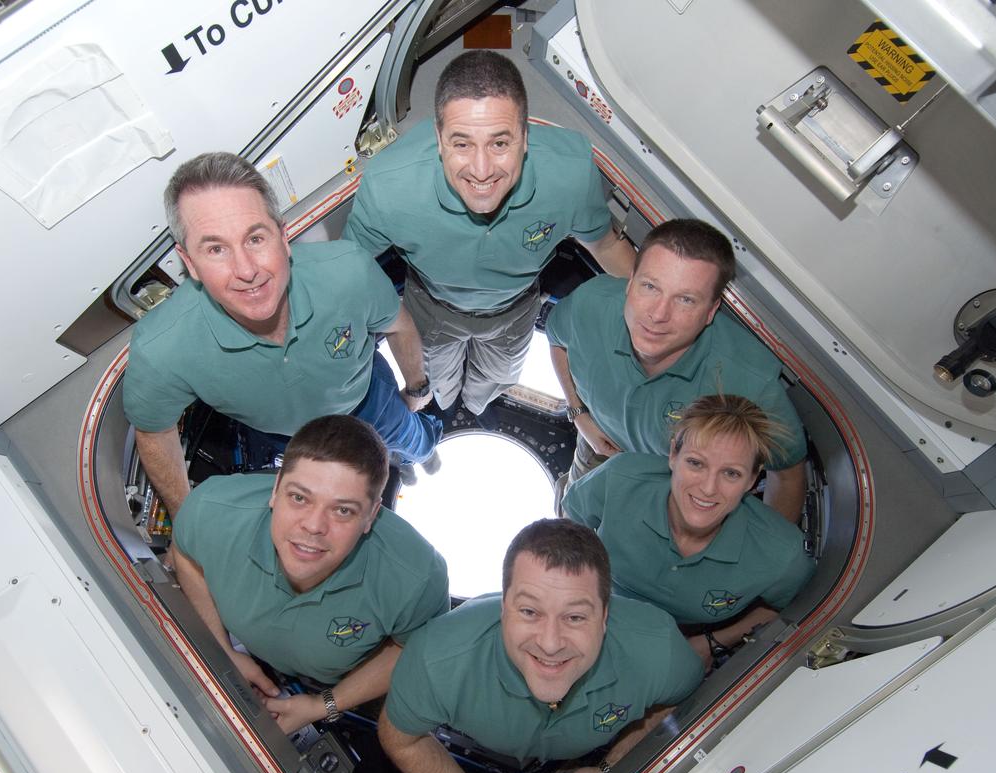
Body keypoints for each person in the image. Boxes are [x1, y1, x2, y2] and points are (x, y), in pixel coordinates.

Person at [124, 152, 440, 519]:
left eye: (255, 238)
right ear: (190, 263)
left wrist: (417, 388)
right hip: (293, 438)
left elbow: (398, 324)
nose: (246, 271)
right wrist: (188, 522)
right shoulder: (162, 348)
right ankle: (400, 461)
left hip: (368, 399)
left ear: (283, 236)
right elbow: (153, 430)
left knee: (413, 438)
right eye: (216, 249)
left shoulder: (347, 272)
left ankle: (424, 454)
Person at [343, 49, 636, 419]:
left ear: (526, 138)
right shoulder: (389, 186)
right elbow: (346, 273)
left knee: (495, 380)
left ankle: (479, 404)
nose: (481, 171)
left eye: (500, 143)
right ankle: (448, 404)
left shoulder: (570, 175)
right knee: (438, 384)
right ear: (438, 138)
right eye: (462, 143)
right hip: (432, 308)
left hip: (513, 311)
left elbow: (607, 244)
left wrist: (661, 309)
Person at [379, 519, 702, 773]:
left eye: (574, 617)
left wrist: (610, 769)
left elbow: (685, 699)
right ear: (504, 608)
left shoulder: (656, 646)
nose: (550, 644)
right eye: (530, 612)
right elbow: (400, 738)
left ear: (605, 617)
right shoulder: (437, 658)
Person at [171, 415, 449, 734]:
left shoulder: (417, 578)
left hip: (341, 683)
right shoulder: (212, 509)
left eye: (343, 510)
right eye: (299, 497)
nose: (314, 525)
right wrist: (222, 651)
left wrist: (325, 705)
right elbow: (185, 553)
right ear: (275, 489)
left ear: (372, 515)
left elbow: (411, 651)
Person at [547, 218, 807, 522]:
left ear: (710, 312)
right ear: (629, 284)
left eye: (685, 299)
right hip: (598, 446)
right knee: (571, 515)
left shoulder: (747, 382)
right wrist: (579, 415)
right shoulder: (592, 305)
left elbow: (788, 474)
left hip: (670, 490)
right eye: (650, 286)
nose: (658, 314)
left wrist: (760, 564)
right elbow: (556, 340)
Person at [563, 395, 815, 668]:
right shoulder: (618, 480)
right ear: (673, 455)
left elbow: (792, 607)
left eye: (731, 473)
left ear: (752, 480)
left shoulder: (780, 553)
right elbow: (566, 535)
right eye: (696, 463)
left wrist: (712, 641)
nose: (708, 488)